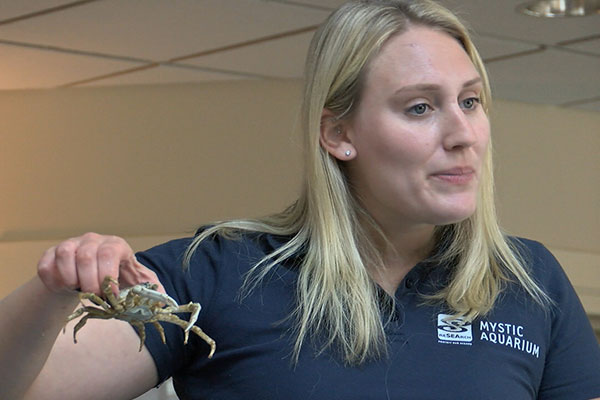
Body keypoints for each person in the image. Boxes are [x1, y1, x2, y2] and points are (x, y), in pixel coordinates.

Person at [2, 0, 599, 399]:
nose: (462, 133)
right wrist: (52, 290)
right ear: (338, 134)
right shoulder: (219, 270)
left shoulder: (529, 282)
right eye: (420, 107)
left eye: (470, 102)